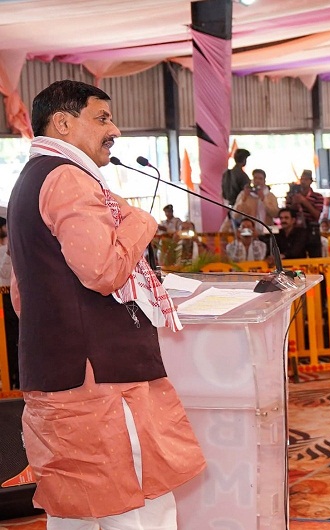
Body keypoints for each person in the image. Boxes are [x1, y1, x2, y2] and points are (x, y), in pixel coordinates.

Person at [7, 80, 204, 529]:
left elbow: (23, 294)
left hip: (61, 371)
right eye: (101, 118)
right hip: (101, 381)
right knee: (136, 502)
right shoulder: (68, 179)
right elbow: (102, 272)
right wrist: (141, 223)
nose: (114, 128)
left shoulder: (30, 181)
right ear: (63, 123)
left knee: (78, 509)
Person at [0, 216, 18, 389]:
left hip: (15, 297)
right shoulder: (5, 250)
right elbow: (5, 275)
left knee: (18, 338)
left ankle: (17, 378)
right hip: (4, 300)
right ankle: (10, 379)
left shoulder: (13, 246)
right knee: (8, 340)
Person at [290, 169, 324, 258]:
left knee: (315, 257)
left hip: (312, 230)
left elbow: (317, 215)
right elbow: (288, 213)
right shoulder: (293, 195)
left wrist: (304, 201)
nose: (303, 181)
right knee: (298, 256)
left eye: (306, 179)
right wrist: (294, 203)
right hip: (297, 230)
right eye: (302, 179)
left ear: (311, 181)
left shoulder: (318, 196)